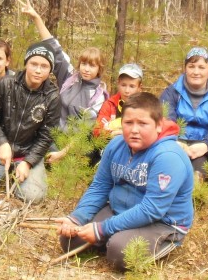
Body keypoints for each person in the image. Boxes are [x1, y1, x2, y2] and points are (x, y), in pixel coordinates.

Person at [56, 93, 194, 270]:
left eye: (142, 123)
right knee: (70, 240)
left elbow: (152, 209)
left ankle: (166, 241)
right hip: (120, 209)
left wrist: (103, 229)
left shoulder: (168, 156)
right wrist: (76, 218)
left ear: (159, 125)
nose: (134, 130)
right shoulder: (116, 145)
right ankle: (115, 235)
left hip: (162, 221)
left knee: (119, 252)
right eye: (128, 123)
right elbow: (100, 186)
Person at [0, 40, 61, 204]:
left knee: (32, 197)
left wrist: (28, 162)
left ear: (50, 69)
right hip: (0, 151)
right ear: (26, 63)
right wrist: (2, 143)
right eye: (33, 64)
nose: (38, 70)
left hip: (29, 153)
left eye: (44, 66)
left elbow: (46, 136)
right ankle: (4, 170)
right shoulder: (6, 84)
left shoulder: (52, 97)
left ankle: (21, 173)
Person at [21, 3, 108, 163]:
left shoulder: (98, 96)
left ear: (99, 69)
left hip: (75, 146)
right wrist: (36, 18)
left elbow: (84, 131)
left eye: (92, 65)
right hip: (53, 136)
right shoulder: (70, 78)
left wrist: (62, 153)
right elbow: (54, 47)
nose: (86, 69)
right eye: (84, 64)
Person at [159, 47, 208, 176]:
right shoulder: (171, 93)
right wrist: (175, 141)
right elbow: (165, 121)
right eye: (191, 66)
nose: (196, 72)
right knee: (171, 170)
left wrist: (206, 145)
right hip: (176, 145)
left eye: (201, 67)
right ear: (185, 68)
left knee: (198, 173)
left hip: (205, 149)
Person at [94, 63, 144, 139]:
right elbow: (97, 131)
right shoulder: (110, 104)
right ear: (118, 83)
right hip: (111, 144)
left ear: (139, 87)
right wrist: (112, 133)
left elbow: (150, 131)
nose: (127, 91)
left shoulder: (145, 107)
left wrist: (123, 132)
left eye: (132, 86)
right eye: (123, 85)